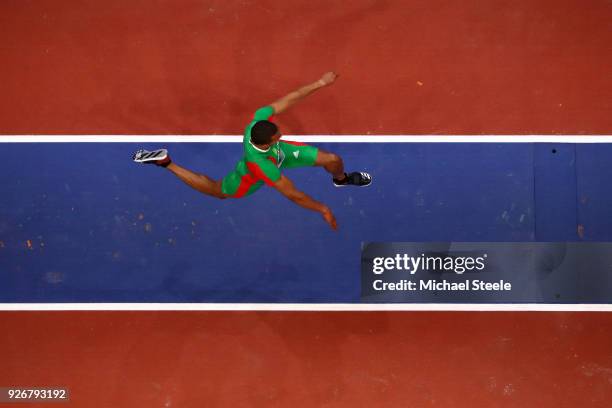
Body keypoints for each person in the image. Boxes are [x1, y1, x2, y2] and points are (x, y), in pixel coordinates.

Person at [133, 72, 371, 230]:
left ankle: (340, 179)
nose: (281, 135)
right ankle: (166, 162)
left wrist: (320, 83)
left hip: (281, 154)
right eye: (277, 136)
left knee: (333, 159)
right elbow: (293, 194)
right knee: (219, 191)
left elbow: (289, 99)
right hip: (249, 177)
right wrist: (323, 209)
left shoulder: (258, 121)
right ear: (267, 142)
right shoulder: (261, 166)